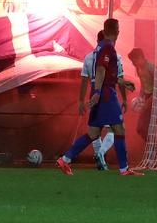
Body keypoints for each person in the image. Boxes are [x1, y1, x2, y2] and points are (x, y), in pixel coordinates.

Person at [58, 18, 143, 176]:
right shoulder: (108, 48)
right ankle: (124, 169)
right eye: (118, 28)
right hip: (106, 95)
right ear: (116, 30)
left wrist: (123, 83)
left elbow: (108, 75)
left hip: (102, 93)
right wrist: (97, 92)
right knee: (119, 129)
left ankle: (65, 159)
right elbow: (101, 71)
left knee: (93, 133)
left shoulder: (102, 49)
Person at [79, 42, 117, 170]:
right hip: (105, 95)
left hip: (93, 95)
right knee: (114, 129)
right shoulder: (111, 55)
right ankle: (100, 154)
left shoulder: (88, 57)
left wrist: (81, 101)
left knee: (95, 130)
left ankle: (99, 161)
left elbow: (84, 80)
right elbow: (118, 76)